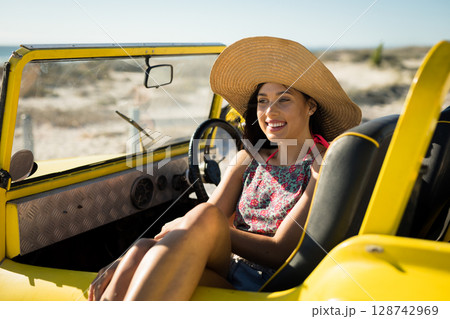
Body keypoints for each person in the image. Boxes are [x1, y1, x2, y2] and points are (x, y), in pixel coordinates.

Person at [88, 36, 361, 301]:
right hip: (228, 269)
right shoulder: (247, 160)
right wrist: (141, 249)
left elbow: (281, 251)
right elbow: (208, 221)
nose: (269, 112)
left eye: (284, 99)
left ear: (310, 106)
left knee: (201, 216)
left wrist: (193, 226)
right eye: (263, 101)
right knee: (140, 250)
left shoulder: (322, 164)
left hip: (269, 283)